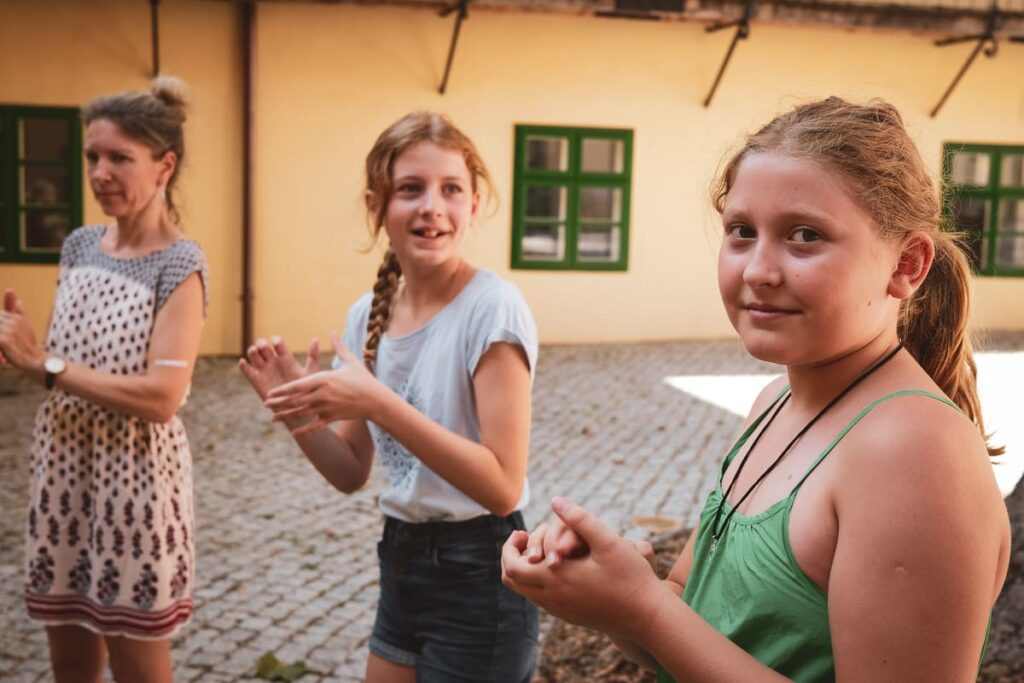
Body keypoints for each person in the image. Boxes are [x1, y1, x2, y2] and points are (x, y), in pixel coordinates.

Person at [501, 97, 1011, 682]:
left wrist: (642, 611)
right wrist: (608, 594)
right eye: (741, 231)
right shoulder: (772, 403)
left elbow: (661, 620)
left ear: (907, 265)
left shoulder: (914, 452)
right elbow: (688, 623)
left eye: (804, 236)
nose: (757, 271)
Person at [238, 111, 539, 683]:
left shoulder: (492, 309)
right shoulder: (365, 316)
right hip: (401, 561)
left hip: (481, 571)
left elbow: (501, 486)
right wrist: (298, 415)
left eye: (451, 189)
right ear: (377, 207)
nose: (432, 205)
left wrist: (377, 403)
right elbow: (351, 471)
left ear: (474, 205)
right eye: (410, 189)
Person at [0, 76, 207, 683]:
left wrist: (47, 365)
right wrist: (20, 348)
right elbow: (67, 365)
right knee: (68, 661)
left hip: (136, 482)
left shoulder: (181, 265)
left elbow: (162, 398)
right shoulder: (78, 246)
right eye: (93, 156)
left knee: (138, 663)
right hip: (63, 471)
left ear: (164, 165)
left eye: (120, 157)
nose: (100, 172)